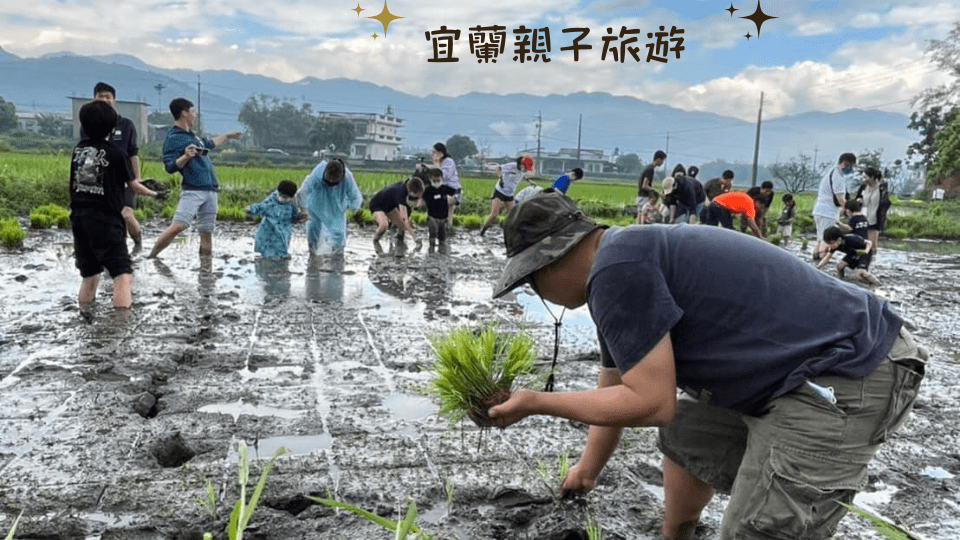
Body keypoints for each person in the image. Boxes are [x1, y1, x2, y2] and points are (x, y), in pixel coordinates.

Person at [488, 190, 926, 540]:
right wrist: (587, 471)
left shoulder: (617, 271)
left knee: (754, 530)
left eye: (531, 280)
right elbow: (616, 388)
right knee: (687, 430)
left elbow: (651, 402)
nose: (537, 292)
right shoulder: (618, 260)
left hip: (848, 371)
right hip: (800, 372)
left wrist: (536, 403)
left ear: (551, 259)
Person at [69, 100, 159, 309]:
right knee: (122, 274)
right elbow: (134, 185)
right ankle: (120, 323)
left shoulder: (78, 151)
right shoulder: (116, 154)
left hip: (79, 219)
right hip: (106, 220)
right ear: (112, 128)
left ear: (83, 126)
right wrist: (155, 194)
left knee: (90, 275)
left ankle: (84, 316)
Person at [147, 98, 241, 259]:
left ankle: (206, 268)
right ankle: (151, 257)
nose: (195, 115)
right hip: (193, 189)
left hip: (211, 189)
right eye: (193, 111)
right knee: (179, 225)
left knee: (206, 232)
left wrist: (227, 136)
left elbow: (209, 143)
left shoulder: (193, 137)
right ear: (184, 113)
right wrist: (185, 157)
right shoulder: (174, 137)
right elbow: (170, 166)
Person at [88, 82, 145, 250]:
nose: (104, 100)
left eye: (108, 97)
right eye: (100, 96)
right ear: (94, 99)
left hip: (126, 180)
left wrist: (137, 179)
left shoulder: (126, 125)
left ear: (113, 100)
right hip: (101, 181)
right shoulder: (88, 125)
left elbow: (133, 153)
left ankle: (138, 244)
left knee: (126, 215)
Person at [295, 158, 364, 255]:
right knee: (313, 233)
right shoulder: (317, 174)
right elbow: (302, 192)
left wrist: (353, 211)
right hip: (315, 207)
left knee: (339, 237)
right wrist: (303, 210)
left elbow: (355, 196)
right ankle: (313, 258)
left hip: (336, 209)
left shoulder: (347, 177)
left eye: (333, 183)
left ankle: (337, 260)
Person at [812, 153, 857, 261]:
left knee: (821, 239)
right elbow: (840, 198)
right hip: (828, 213)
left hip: (820, 211)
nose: (849, 168)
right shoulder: (838, 177)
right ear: (842, 163)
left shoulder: (831, 173)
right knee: (827, 240)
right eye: (848, 165)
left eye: (851, 166)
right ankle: (821, 262)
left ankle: (815, 260)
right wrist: (850, 211)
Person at [480, 155, 535, 236]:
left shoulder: (522, 172)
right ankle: (483, 230)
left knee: (511, 216)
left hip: (509, 194)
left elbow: (522, 177)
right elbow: (498, 169)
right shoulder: (512, 166)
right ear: (521, 164)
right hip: (499, 191)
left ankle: (509, 232)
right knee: (494, 214)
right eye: (525, 167)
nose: (526, 169)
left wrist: (529, 181)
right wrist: (501, 179)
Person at [246, 180, 300, 259]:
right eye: (280, 195)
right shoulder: (271, 202)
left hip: (283, 234)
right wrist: (251, 209)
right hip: (267, 233)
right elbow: (261, 207)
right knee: (265, 255)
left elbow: (294, 217)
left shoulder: (292, 204)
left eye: (285, 197)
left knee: (281, 254)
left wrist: (300, 218)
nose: (282, 198)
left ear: (291, 197)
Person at [370, 176, 423, 243]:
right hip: (377, 205)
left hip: (389, 207)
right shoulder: (401, 194)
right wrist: (415, 238)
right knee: (384, 225)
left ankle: (398, 239)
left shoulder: (405, 186)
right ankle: (375, 242)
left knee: (402, 226)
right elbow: (404, 219)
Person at [855, 166, 891, 256]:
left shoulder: (881, 188)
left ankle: (872, 259)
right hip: (862, 217)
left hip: (875, 218)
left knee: (873, 244)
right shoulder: (863, 187)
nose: (863, 179)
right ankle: (862, 259)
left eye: (865, 177)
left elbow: (885, 202)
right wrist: (858, 201)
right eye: (863, 177)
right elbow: (858, 197)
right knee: (861, 242)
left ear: (872, 177)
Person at [421, 168, 457, 248]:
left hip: (443, 217)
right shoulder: (427, 190)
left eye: (438, 180)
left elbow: (456, 193)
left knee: (442, 236)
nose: (437, 182)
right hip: (432, 217)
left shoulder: (445, 188)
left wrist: (455, 199)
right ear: (430, 179)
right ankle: (431, 249)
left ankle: (442, 250)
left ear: (441, 179)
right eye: (434, 181)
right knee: (432, 234)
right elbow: (422, 202)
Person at [431, 142, 461, 227]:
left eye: (433, 152)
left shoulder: (449, 162)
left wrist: (436, 165)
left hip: (453, 193)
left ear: (440, 153)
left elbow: (443, 176)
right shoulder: (440, 163)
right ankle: (448, 229)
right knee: (448, 218)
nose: (432, 154)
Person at [637, 150, 666, 224]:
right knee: (643, 219)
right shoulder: (650, 170)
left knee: (640, 218)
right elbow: (645, 185)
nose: (662, 163)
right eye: (662, 160)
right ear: (658, 159)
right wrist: (656, 193)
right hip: (644, 197)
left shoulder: (647, 167)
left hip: (640, 196)